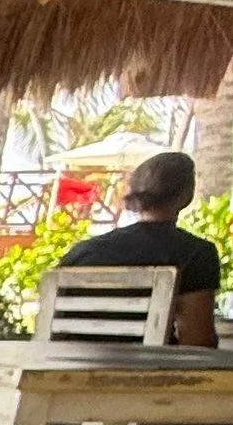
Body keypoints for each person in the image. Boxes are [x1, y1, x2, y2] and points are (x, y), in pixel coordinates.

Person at [55, 147, 220, 346]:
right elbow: (198, 341)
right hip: (147, 373)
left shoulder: (81, 253)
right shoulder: (196, 254)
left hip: (69, 371)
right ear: (186, 196)